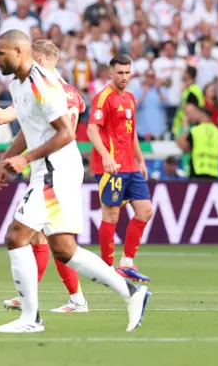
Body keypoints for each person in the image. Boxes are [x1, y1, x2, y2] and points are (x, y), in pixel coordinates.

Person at [0, 30, 149, 333]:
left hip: (55, 170)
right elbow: (27, 129)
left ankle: (30, 318)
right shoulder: (17, 85)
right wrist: (6, 159)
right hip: (48, 169)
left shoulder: (42, 85)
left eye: (1, 54)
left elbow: (66, 134)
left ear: (21, 52)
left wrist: (23, 159)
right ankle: (132, 292)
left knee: (16, 235)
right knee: (64, 249)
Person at [0, 39, 91, 314]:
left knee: (52, 238)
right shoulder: (74, 94)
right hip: (64, 167)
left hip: (51, 169)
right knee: (44, 237)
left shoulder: (42, 88)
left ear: (43, 61)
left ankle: (87, 297)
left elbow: (1, 117)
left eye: (33, 60)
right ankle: (63, 298)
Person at [87, 55, 153, 282]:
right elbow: (92, 130)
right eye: (120, 73)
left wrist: (141, 160)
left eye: (127, 72)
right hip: (111, 166)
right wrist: (105, 156)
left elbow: (131, 132)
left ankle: (126, 264)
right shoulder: (103, 98)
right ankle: (106, 269)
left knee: (145, 211)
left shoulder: (131, 98)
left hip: (131, 166)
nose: (124, 77)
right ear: (110, 74)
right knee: (112, 214)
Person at [176, 106, 218, 179]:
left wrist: (185, 127)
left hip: (197, 171)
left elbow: (183, 147)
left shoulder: (195, 131)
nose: (193, 116)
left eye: (195, 113)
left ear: (201, 115)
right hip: (214, 171)